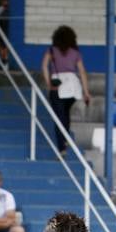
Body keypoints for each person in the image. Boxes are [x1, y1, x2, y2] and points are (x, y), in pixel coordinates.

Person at [41, 25, 91, 153]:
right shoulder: (76, 53)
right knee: (66, 113)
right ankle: (66, 137)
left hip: (57, 85)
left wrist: (48, 83)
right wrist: (86, 92)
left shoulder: (51, 51)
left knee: (59, 116)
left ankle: (62, 146)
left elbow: (44, 66)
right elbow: (83, 72)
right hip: (73, 85)